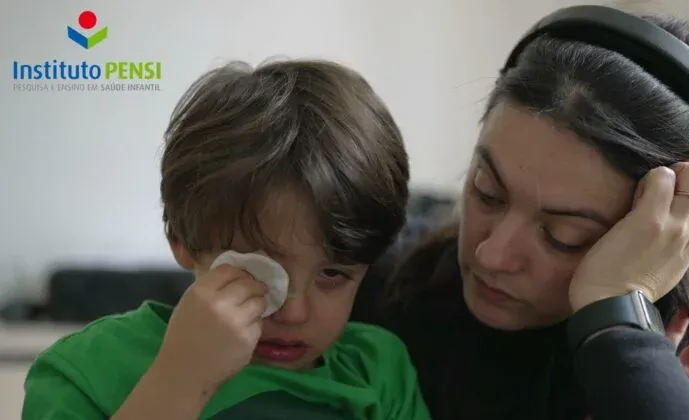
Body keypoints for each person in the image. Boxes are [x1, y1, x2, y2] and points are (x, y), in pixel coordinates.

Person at [352, 6, 689, 420]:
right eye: (487, 193)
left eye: (564, 236)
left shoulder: (688, 379)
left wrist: (618, 318)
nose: (491, 255)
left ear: (662, 235)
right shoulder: (363, 289)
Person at [22, 59, 430, 420]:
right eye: (262, 272)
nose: (293, 312)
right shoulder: (86, 370)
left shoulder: (377, 370)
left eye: (333, 274)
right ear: (182, 238)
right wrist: (181, 379)